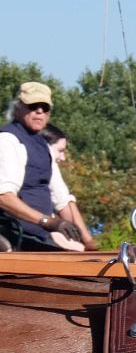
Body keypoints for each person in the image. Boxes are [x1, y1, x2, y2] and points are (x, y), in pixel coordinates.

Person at [0, 81, 98, 252]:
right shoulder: (8, 140)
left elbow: (61, 199)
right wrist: (49, 221)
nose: (39, 111)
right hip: (12, 235)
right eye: (33, 106)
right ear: (18, 108)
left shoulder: (42, 145)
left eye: (45, 108)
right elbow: (4, 197)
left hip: (37, 236)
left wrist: (88, 241)